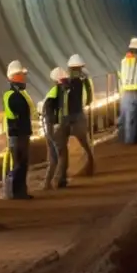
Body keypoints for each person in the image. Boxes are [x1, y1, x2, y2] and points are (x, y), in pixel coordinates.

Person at [57, 54, 95, 182]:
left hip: (65, 117)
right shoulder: (84, 80)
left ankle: (62, 176)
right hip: (78, 115)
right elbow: (89, 97)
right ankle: (89, 168)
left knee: (63, 148)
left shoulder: (63, 80)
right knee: (85, 143)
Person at [1, 60, 34, 200]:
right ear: (14, 76)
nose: (24, 77)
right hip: (18, 133)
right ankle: (15, 193)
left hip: (20, 133)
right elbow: (22, 112)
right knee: (19, 164)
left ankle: (19, 192)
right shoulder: (13, 96)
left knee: (21, 164)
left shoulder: (18, 93)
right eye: (21, 74)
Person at [42, 67, 70, 190]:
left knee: (53, 158)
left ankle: (46, 183)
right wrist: (56, 124)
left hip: (49, 127)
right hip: (55, 127)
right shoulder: (60, 91)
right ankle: (58, 181)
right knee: (62, 155)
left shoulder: (55, 91)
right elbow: (50, 110)